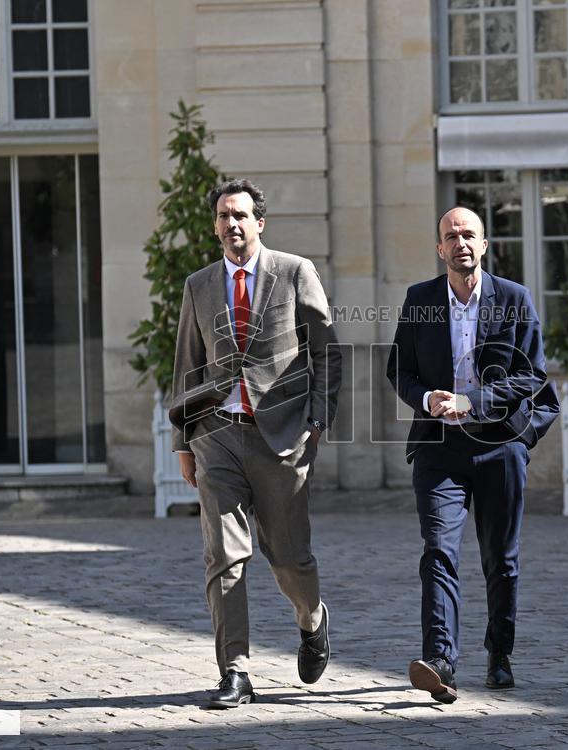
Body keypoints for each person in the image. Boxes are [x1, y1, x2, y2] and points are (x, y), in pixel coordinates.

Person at [169, 178, 342, 708]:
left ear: (259, 223)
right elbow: (187, 365)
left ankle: (312, 622)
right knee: (223, 556)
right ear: (215, 224)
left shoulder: (294, 272)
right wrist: (183, 439)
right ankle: (236, 671)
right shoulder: (199, 285)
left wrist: (318, 419)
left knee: (290, 558)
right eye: (224, 216)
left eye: (241, 215)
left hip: (282, 437)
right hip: (216, 436)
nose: (232, 224)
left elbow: (327, 352)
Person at [386, 206, 559, 704]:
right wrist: (428, 399)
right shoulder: (419, 300)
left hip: (499, 446)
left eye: (469, 234)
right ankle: (440, 661)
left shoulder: (514, 299)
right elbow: (400, 370)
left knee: (499, 560)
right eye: (450, 236)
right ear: (439, 249)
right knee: (438, 550)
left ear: (484, 245)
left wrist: (472, 401)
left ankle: (499, 652)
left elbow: (531, 376)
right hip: (439, 447)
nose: (460, 242)